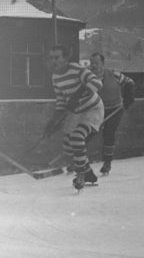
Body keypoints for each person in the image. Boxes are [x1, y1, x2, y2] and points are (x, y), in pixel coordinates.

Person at [43, 45, 104, 191]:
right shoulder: (55, 77)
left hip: (92, 110)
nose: (53, 61)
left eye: (57, 57)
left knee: (76, 137)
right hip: (76, 113)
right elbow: (61, 101)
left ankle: (80, 175)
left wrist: (79, 94)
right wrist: (52, 122)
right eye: (51, 58)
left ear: (65, 58)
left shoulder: (77, 69)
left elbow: (97, 83)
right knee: (67, 145)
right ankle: (88, 172)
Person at [89, 53, 135, 175]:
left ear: (103, 64)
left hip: (115, 109)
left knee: (108, 133)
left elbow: (129, 81)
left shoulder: (114, 74)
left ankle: (107, 163)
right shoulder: (87, 77)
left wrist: (128, 96)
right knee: (88, 132)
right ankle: (78, 161)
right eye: (91, 63)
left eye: (96, 63)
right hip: (96, 110)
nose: (93, 65)